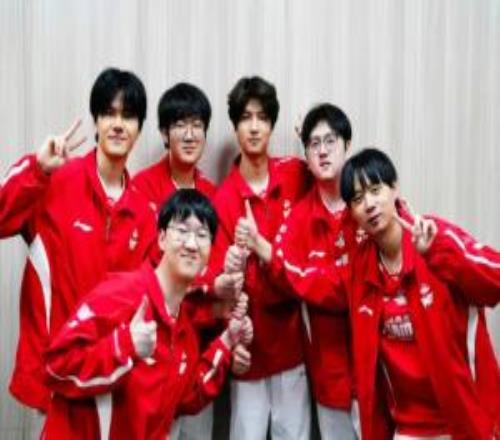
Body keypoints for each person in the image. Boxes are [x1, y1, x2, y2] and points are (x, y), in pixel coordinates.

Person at [0, 68, 156, 424]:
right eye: (109, 113)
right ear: (96, 121)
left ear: (139, 128)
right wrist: (37, 169)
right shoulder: (55, 182)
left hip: (111, 378)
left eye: (128, 116)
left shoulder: (145, 214)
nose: (118, 125)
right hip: (53, 379)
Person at [43, 189, 253, 439]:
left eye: (202, 235)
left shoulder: (184, 331)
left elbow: (187, 399)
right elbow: (56, 367)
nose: (191, 244)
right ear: (161, 239)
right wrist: (124, 345)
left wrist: (227, 341)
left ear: (210, 251)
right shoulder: (121, 293)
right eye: (182, 231)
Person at [339, 147, 500, 439]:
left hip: (464, 421)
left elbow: (494, 280)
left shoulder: (434, 236)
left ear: (395, 189)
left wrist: (437, 252)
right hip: (409, 428)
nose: (369, 204)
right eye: (358, 199)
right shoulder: (360, 267)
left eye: (375, 190)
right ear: (351, 212)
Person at [235, 103, 360, 438]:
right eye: (313, 144)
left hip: (379, 369)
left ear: (347, 144)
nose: (322, 151)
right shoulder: (300, 217)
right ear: (305, 154)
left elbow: (351, 286)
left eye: (330, 141)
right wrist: (257, 249)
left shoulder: (368, 203)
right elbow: (282, 281)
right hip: (330, 374)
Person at [208, 76, 312, 439]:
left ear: (272, 125)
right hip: (248, 355)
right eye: (245, 118)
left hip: (293, 349)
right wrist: (231, 340)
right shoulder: (223, 199)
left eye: (263, 118)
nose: (254, 127)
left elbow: (334, 184)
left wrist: (309, 139)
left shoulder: (296, 175)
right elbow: (220, 286)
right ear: (235, 126)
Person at [132, 83, 235, 440]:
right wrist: (209, 286)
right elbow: (148, 265)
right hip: (153, 343)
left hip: (197, 342)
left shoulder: (212, 194)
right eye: (179, 125)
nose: (190, 135)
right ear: (164, 132)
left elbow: (217, 265)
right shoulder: (142, 188)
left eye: (197, 125)